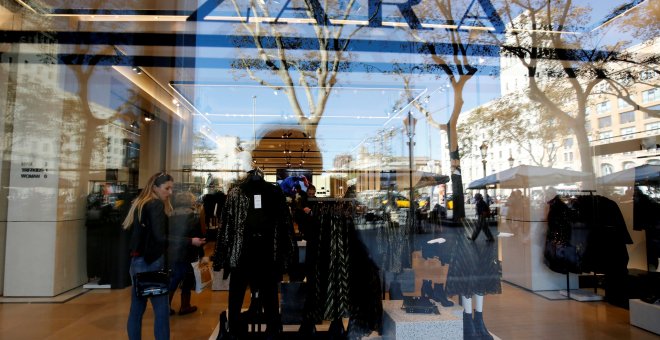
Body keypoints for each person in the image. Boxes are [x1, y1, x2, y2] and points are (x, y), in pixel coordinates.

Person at [122, 172, 174, 340]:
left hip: (137, 262)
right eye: (167, 188)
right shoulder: (156, 205)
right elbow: (159, 237)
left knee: (136, 310)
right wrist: (188, 241)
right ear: (155, 188)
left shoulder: (139, 204)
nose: (170, 192)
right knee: (161, 312)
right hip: (152, 262)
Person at [168, 191, 206, 316]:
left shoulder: (169, 215)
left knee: (173, 278)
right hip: (189, 251)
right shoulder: (194, 215)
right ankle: (185, 306)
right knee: (188, 279)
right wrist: (202, 253)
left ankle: (165, 306)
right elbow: (199, 236)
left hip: (173, 251)